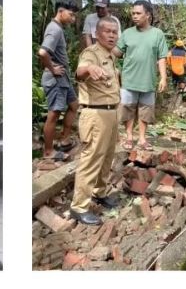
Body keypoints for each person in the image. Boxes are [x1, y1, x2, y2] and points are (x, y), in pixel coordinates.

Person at [69, 15, 122, 226]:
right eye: (107, 31)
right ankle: (79, 206)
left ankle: (100, 192)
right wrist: (89, 70)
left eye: (114, 32)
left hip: (111, 113)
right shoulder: (90, 53)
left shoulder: (110, 56)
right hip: (95, 114)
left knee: (107, 156)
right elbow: (80, 72)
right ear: (97, 34)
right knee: (91, 160)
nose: (111, 35)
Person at [116, 0, 168, 150]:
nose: (134, 16)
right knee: (127, 109)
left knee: (146, 110)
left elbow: (162, 57)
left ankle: (142, 139)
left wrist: (163, 78)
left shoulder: (157, 34)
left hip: (148, 79)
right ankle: (129, 137)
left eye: (138, 13)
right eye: (133, 13)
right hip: (129, 79)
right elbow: (117, 53)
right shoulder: (127, 33)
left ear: (148, 15)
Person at [37, 0, 79, 160]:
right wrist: (52, 68)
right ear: (60, 11)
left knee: (74, 105)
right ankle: (48, 152)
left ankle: (64, 140)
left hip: (63, 80)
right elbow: (42, 52)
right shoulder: (54, 29)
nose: (73, 18)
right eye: (71, 14)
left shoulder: (58, 28)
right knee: (54, 115)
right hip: (55, 80)